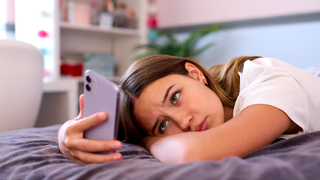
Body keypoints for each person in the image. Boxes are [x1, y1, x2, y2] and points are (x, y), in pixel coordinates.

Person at [58, 55, 320, 164]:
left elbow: (192, 152)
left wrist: (150, 138)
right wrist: (63, 136)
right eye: (162, 125)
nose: (183, 122)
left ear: (195, 74)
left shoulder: (270, 83)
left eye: (175, 98)